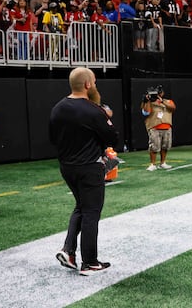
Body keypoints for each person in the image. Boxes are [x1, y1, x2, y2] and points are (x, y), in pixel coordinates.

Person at [49, 67, 117, 275]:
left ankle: (68, 250)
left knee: (81, 206)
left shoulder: (57, 108)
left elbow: (53, 139)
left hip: (67, 167)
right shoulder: (94, 110)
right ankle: (90, 262)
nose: (95, 85)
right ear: (88, 85)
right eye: (94, 82)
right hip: (89, 167)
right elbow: (112, 138)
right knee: (91, 212)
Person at [140, 85, 176, 170]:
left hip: (167, 127)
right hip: (154, 127)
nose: (158, 94)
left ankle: (163, 163)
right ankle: (152, 164)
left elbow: (173, 108)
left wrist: (162, 101)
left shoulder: (168, 101)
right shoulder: (150, 103)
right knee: (154, 146)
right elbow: (146, 112)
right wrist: (147, 100)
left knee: (165, 146)